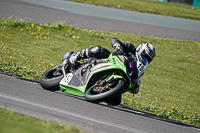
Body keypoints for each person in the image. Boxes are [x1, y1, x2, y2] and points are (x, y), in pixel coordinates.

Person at [63, 38, 156, 95]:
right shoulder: (131, 49)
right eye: (145, 56)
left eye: (148, 59)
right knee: (100, 50)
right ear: (141, 50)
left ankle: (99, 89)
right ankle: (76, 56)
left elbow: (136, 81)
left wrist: (135, 88)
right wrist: (117, 45)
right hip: (108, 60)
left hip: (116, 76)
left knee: (116, 101)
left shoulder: (139, 69)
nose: (146, 59)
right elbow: (114, 40)